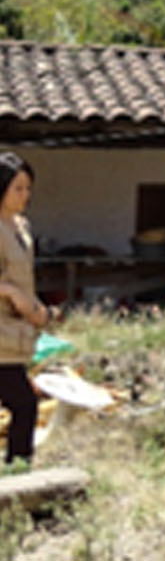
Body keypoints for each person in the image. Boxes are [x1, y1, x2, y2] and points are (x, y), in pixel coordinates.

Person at [0, 152, 50, 465]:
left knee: (22, 403)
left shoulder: (21, 227)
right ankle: (19, 474)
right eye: (18, 188)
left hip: (15, 334)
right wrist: (13, 294)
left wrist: (34, 306)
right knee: (24, 404)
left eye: (28, 188)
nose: (25, 195)